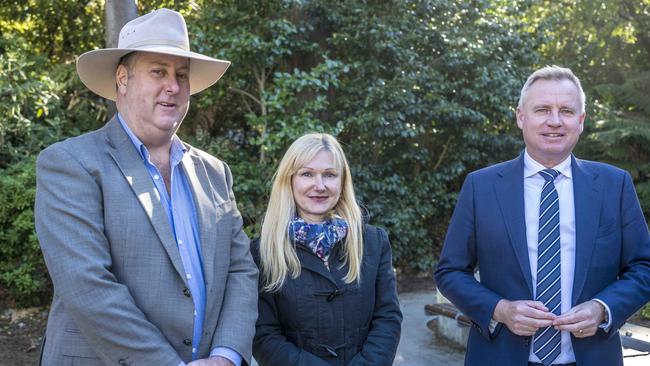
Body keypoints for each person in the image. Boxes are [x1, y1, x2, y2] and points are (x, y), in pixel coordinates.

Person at [35, 9, 258, 366]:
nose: (173, 86)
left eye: (181, 75)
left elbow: (240, 272)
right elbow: (87, 288)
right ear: (122, 78)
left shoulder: (215, 173)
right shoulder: (71, 164)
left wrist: (225, 356)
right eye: (158, 71)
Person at [434, 65, 650, 366]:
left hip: (592, 358)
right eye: (542, 109)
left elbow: (644, 267)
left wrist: (603, 308)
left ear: (581, 120)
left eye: (566, 110)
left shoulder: (615, 185)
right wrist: (500, 309)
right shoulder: (480, 186)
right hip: (501, 357)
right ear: (521, 116)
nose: (555, 121)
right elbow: (450, 271)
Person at [251, 133, 402, 365]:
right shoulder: (263, 251)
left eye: (329, 175)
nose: (319, 186)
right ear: (289, 180)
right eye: (307, 174)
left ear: (342, 182)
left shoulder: (373, 241)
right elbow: (263, 335)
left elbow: (387, 318)